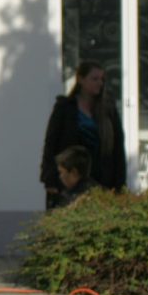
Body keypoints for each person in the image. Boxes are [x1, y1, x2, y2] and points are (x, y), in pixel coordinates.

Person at [41, 60, 125, 208]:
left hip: (101, 177)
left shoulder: (107, 110)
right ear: (80, 79)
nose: (100, 83)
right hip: (71, 178)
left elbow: (118, 147)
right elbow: (51, 144)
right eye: (94, 79)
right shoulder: (65, 108)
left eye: (102, 79)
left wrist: (119, 184)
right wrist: (50, 178)